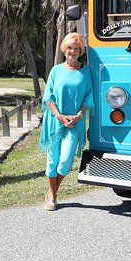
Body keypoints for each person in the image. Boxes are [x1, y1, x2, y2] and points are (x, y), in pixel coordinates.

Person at [39, 32, 93, 211]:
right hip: (55, 121)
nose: (73, 52)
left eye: (76, 49)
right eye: (70, 48)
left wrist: (78, 116)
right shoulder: (56, 70)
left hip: (75, 122)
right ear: (64, 49)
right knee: (52, 160)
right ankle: (53, 197)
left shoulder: (85, 71)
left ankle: (52, 190)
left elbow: (88, 98)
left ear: (80, 51)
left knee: (65, 161)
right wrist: (59, 116)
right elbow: (49, 97)